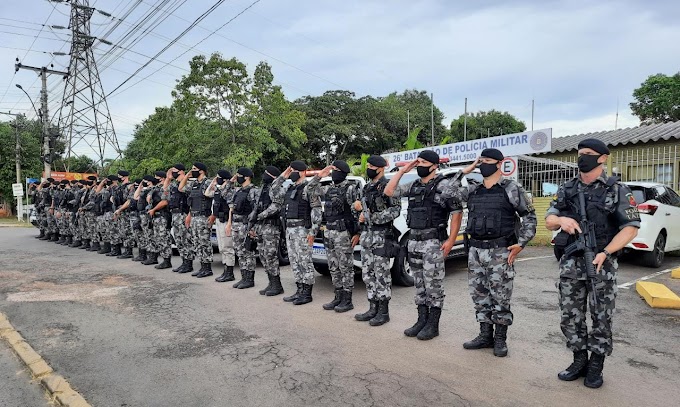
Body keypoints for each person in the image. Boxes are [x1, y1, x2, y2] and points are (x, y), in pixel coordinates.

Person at [546, 138, 639, 389]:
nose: (581, 157)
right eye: (580, 153)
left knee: (601, 315)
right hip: (571, 263)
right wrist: (562, 220)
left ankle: (596, 365)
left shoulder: (617, 190)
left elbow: (630, 229)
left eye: (587, 153)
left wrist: (606, 252)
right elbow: (549, 220)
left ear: (602, 158)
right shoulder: (567, 188)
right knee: (570, 316)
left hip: (601, 263)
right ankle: (579, 360)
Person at [455, 148, 537, 357]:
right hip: (475, 251)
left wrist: (521, 244)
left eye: (487, 161)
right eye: (480, 161)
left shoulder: (511, 188)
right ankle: (485, 335)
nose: (483, 164)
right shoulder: (473, 189)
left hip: (500, 250)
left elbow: (529, 217)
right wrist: (465, 171)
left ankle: (500, 339)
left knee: (500, 297)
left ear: (499, 163)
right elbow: (446, 192)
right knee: (479, 295)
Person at [384, 150, 463, 340]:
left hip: (433, 242)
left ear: (435, 166)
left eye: (424, 162)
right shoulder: (414, 185)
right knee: (419, 284)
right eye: (418, 162)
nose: (420, 165)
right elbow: (389, 191)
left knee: (433, 285)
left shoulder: (445, 186)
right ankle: (421, 320)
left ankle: (433, 325)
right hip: (414, 241)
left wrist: (451, 240)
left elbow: (457, 212)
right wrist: (403, 171)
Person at [353, 155, 401, 326]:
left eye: (373, 166)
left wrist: (370, 217)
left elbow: (395, 210)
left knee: (382, 274)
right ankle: (372, 307)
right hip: (367, 236)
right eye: (369, 165)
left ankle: (383, 311)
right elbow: (361, 210)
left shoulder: (389, 186)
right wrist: (359, 213)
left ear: (381, 168)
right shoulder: (366, 188)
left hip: (381, 236)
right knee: (368, 273)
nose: (369, 168)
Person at [308, 161, 360, 312]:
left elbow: (357, 212)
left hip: (343, 233)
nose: (333, 173)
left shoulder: (350, 189)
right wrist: (320, 175)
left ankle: (347, 300)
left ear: (343, 172)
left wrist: (358, 232)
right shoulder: (329, 189)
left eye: (336, 170)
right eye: (333, 170)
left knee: (346, 267)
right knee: (333, 266)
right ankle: (337, 296)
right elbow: (309, 189)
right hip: (329, 231)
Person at [270, 160, 322, 305]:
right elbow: (273, 190)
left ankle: (307, 293)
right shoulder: (290, 188)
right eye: (290, 170)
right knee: (294, 261)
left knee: (304, 261)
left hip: (303, 229)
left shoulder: (308, 188)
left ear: (303, 172)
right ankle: (299, 289)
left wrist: (313, 231)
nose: (292, 173)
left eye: (294, 170)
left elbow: (317, 210)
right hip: (290, 229)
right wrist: (283, 176)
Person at [248, 166, 285, 296]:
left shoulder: (277, 189)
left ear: (273, 177)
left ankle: (277, 285)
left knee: (271, 255)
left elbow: (276, 206)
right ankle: (271, 282)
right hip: (260, 226)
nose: (264, 176)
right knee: (263, 255)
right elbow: (256, 207)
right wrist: (253, 222)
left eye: (267, 174)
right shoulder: (263, 189)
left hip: (271, 226)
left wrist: (261, 215)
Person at [179, 163, 214, 278]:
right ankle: (202, 267)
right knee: (197, 242)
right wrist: (187, 175)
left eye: (194, 169)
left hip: (204, 216)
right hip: (194, 216)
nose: (192, 170)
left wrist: (213, 215)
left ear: (201, 171)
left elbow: (215, 198)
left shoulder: (207, 182)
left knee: (204, 243)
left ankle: (207, 268)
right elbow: (181, 188)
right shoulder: (194, 183)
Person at [228, 168, 260, 289]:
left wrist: (253, 227)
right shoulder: (238, 191)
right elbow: (225, 193)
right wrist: (231, 181)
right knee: (239, 252)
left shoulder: (253, 191)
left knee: (248, 252)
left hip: (246, 225)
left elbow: (256, 210)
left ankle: (250, 279)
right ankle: (243, 277)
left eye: (240, 176)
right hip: (236, 224)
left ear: (246, 177)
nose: (238, 177)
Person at [164, 165, 194, 273]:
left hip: (183, 214)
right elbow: (165, 190)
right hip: (175, 214)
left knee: (186, 239)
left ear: (181, 171)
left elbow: (192, 201)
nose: (173, 173)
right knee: (178, 240)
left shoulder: (188, 183)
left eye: (175, 171)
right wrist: (168, 177)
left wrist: (189, 215)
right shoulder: (173, 184)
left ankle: (189, 263)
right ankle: (184, 262)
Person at [207, 169, 236, 282]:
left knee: (227, 247)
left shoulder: (229, 191)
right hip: (219, 220)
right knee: (222, 247)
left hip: (226, 221)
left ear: (224, 179)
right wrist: (214, 182)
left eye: (218, 177)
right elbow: (207, 193)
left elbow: (231, 208)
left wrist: (229, 223)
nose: (216, 178)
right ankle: (226, 271)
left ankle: (230, 272)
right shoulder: (219, 190)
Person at [147, 171, 172, 269]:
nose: (154, 178)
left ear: (161, 178)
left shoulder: (166, 188)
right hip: (156, 217)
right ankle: (161, 258)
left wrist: (154, 209)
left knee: (164, 238)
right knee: (158, 239)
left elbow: (164, 201)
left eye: (156, 177)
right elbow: (148, 198)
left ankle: (167, 261)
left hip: (163, 216)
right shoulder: (156, 188)